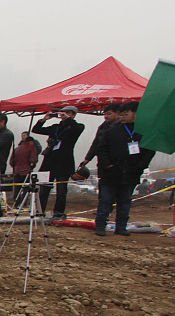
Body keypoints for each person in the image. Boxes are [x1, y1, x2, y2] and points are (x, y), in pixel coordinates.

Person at [95, 101, 154, 237]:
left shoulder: (144, 133)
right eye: (121, 115)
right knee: (106, 200)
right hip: (111, 173)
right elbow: (101, 149)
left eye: (126, 114)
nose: (122, 117)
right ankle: (100, 226)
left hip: (131, 173)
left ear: (136, 114)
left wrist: (140, 166)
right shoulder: (111, 132)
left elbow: (149, 151)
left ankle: (121, 227)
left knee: (125, 201)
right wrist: (108, 165)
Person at [32, 105, 85, 220]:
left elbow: (77, 129)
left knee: (61, 190)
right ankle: (40, 211)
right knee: (44, 189)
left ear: (73, 114)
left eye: (67, 112)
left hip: (64, 163)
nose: (63, 114)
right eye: (62, 112)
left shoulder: (76, 127)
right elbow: (36, 130)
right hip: (50, 161)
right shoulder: (55, 127)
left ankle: (58, 212)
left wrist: (68, 119)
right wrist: (44, 120)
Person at [78, 103, 121, 179]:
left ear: (117, 113)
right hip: (103, 162)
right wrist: (87, 159)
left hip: (118, 162)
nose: (106, 116)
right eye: (105, 114)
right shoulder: (102, 127)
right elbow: (96, 144)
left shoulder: (123, 127)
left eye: (109, 114)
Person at [8, 131, 38, 210]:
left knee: (17, 188)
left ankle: (17, 204)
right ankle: (23, 204)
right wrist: (32, 166)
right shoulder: (32, 148)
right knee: (26, 189)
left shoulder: (16, 149)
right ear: (31, 142)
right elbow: (33, 159)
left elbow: (11, 161)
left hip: (17, 171)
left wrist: (15, 168)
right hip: (26, 171)